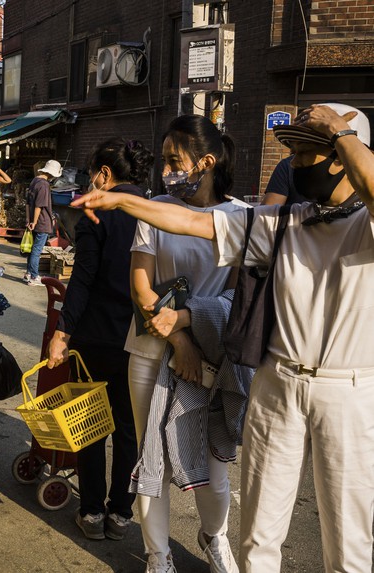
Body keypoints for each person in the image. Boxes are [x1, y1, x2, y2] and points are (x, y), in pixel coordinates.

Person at [74, 103, 374, 573]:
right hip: (278, 382)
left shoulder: (365, 226)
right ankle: (164, 554)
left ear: (344, 154)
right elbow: (194, 223)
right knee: (259, 534)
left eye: (306, 151)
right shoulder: (282, 224)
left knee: (349, 540)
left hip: (348, 389)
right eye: (291, 150)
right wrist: (121, 201)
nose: (293, 164)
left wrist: (338, 131)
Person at [46, 138, 154, 543]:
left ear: (105, 175)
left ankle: (91, 511)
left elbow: (84, 278)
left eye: (93, 173)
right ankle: (121, 512)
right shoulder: (157, 212)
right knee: (129, 427)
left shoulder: (98, 214)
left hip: (95, 338)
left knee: (90, 423)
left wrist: (62, 332)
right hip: (142, 338)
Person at [25, 160, 61, 286]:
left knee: (32, 249)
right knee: (36, 250)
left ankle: (29, 273)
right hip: (42, 222)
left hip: (34, 221)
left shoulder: (34, 181)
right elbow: (39, 206)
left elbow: (28, 203)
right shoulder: (44, 185)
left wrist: (29, 220)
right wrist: (34, 221)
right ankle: (34, 276)